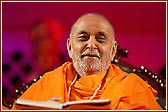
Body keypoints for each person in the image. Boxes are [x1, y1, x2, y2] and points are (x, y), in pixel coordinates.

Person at [11, 13, 162, 110]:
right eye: (83, 38)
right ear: (70, 47)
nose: (91, 45)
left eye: (100, 39)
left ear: (113, 49)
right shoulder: (47, 82)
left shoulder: (132, 87)